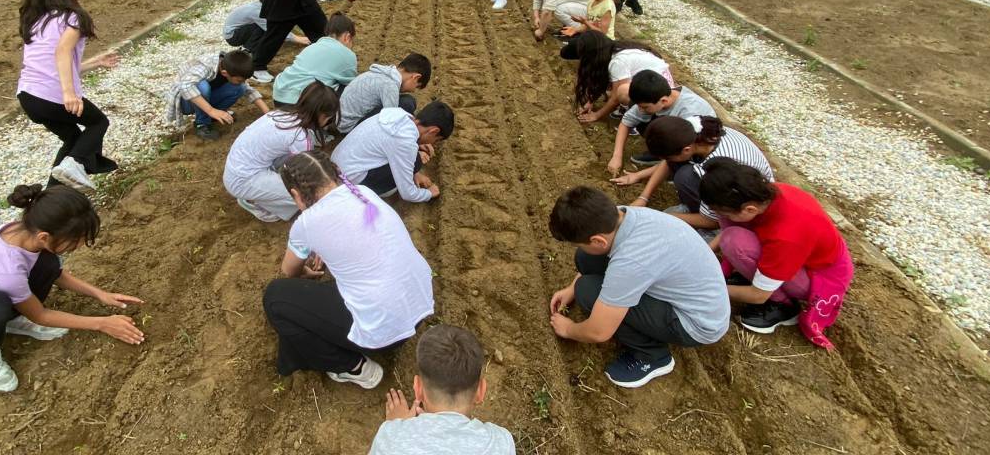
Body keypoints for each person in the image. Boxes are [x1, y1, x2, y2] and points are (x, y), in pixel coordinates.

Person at [0, 184, 144, 396]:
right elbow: (41, 315)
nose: (80, 245)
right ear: (45, 236)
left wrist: (99, 294)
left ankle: (10, 320)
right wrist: (102, 323)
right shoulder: (6, 270)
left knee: (48, 262)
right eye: (76, 240)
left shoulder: (23, 233)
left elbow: (56, 274)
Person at [262, 151, 434, 388]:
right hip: (416, 308)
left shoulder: (306, 223)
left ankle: (351, 366)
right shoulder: (364, 193)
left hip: (383, 331)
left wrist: (305, 271)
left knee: (276, 297)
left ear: (295, 194)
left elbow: (289, 270)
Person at [546, 186, 728, 388]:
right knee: (586, 258)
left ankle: (653, 356)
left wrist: (569, 329)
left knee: (587, 291)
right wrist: (571, 288)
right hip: (693, 292)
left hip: (696, 323)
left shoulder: (631, 261)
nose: (577, 247)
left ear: (598, 239)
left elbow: (599, 331)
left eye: (577, 243)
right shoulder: (623, 215)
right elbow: (601, 256)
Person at [699, 159, 854, 350]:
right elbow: (727, 228)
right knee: (732, 236)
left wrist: (707, 288)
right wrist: (704, 254)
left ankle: (783, 306)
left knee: (734, 241)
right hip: (799, 256)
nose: (722, 217)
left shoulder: (786, 236)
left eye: (725, 213)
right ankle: (759, 277)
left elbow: (758, 295)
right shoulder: (766, 194)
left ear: (749, 209)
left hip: (819, 274)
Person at [15, 0, 119, 192]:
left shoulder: (36, 20)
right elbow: (61, 52)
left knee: (73, 140)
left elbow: (52, 64)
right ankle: (75, 166)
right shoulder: (74, 18)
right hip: (53, 95)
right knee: (98, 122)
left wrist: (94, 62)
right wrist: (69, 94)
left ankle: (49, 197)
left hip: (29, 96)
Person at [370, 325, 516, 455]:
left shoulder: (390, 439)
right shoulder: (501, 442)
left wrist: (398, 426)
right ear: (481, 391)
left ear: (418, 389)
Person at [614, 116, 773, 232]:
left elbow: (713, 220)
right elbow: (669, 161)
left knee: (684, 177)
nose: (666, 161)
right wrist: (643, 196)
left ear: (687, 150)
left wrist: (663, 217)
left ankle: (699, 216)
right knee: (682, 171)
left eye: (668, 157)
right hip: (737, 186)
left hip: (742, 202)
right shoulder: (696, 132)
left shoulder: (715, 168)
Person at [223, 82, 339, 222]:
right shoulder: (299, 136)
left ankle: (262, 193)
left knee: (292, 163)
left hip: (237, 169)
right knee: (304, 195)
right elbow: (305, 172)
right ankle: (258, 203)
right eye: (328, 117)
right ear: (322, 115)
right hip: (242, 180)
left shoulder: (281, 114)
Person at [332, 101, 455, 203]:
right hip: (346, 182)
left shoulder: (399, 114)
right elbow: (408, 193)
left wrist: (417, 147)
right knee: (415, 162)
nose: (433, 143)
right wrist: (429, 193)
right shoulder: (405, 141)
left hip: (334, 165)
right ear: (433, 131)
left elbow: (391, 144)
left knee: (413, 162)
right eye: (436, 140)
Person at [607, 70, 714, 175]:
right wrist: (617, 156)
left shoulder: (689, 111)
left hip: (695, 146)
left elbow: (688, 148)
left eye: (644, 107)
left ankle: (673, 164)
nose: (640, 109)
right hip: (680, 138)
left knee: (682, 171)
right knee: (636, 110)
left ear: (664, 101)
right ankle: (661, 155)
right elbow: (626, 122)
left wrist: (638, 175)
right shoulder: (655, 97)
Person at [165, 49, 271, 141]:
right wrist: (211, 110)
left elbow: (248, 89)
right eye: (239, 79)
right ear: (224, 73)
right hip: (186, 102)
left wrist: (268, 114)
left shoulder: (231, 65)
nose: (242, 81)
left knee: (240, 88)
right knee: (202, 86)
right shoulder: (205, 67)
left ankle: (213, 116)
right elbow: (185, 86)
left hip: (205, 99)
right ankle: (201, 123)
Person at [571, 33, 672, 124]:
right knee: (613, 88)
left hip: (658, 92)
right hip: (654, 82)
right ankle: (632, 108)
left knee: (622, 93)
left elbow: (616, 98)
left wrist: (596, 115)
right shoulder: (613, 50)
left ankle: (640, 119)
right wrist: (590, 102)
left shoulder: (618, 62)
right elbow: (603, 81)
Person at [271, 12, 358, 108]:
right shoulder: (346, 54)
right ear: (347, 37)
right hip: (302, 102)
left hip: (279, 95)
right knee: (349, 89)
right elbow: (352, 85)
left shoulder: (313, 46)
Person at [337, 53, 432, 134]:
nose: (413, 90)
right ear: (415, 77)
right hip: (350, 127)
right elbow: (390, 122)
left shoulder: (383, 73)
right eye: (416, 86)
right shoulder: (390, 85)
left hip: (340, 119)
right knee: (407, 103)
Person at [223, 1, 309, 54]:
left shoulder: (261, 5)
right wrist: (297, 38)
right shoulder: (258, 12)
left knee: (265, 24)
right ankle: (247, 50)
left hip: (237, 30)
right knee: (263, 26)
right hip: (233, 37)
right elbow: (273, 29)